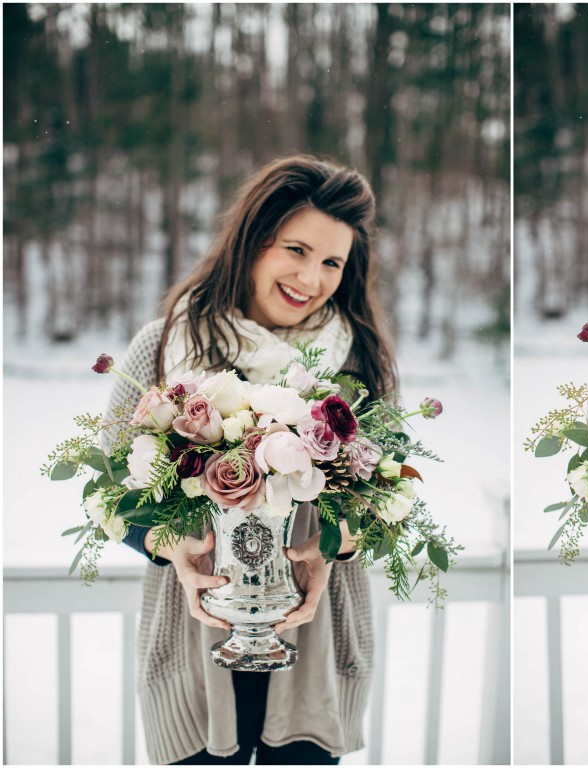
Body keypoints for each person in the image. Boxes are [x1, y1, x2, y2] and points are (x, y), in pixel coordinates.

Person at [103, 156, 397, 764]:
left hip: (315, 633)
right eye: (296, 249)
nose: (311, 278)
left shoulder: (358, 361)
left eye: (331, 262)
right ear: (254, 242)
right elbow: (108, 485)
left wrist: (335, 543)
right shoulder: (166, 346)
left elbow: (388, 495)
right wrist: (167, 545)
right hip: (194, 634)